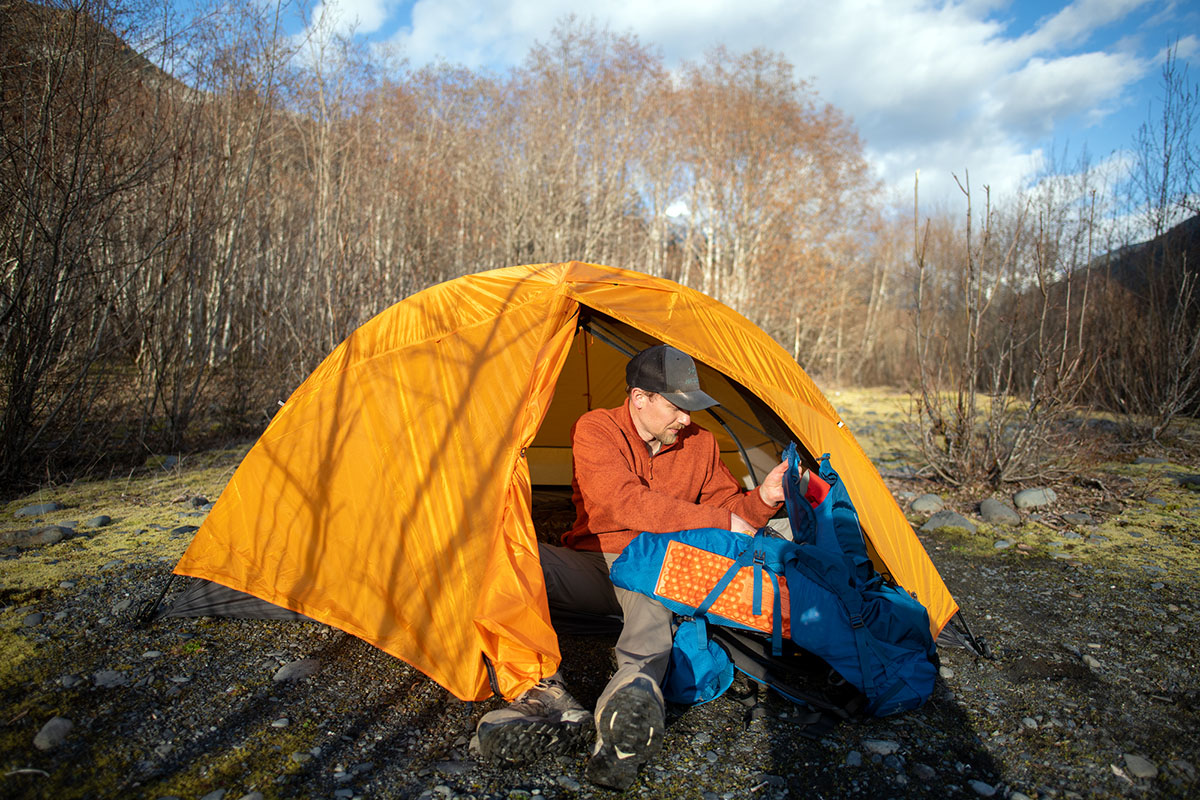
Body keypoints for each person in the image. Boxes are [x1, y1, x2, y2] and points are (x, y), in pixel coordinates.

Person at [474, 344, 787, 789]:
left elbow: (731, 511)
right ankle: (544, 693)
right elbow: (622, 502)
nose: (686, 419)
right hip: (595, 561)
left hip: (657, 568)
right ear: (640, 398)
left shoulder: (701, 444)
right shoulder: (596, 428)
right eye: (678, 407)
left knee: (652, 607)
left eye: (691, 408)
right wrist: (724, 519)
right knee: (506, 555)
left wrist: (763, 500)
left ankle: (626, 710)